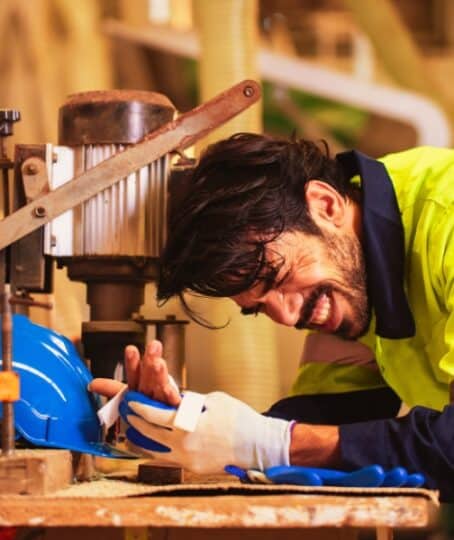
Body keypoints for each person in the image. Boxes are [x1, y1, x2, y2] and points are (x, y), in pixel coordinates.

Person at [91, 133, 454, 500]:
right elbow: (325, 424)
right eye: (258, 307)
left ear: (325, 205)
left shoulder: (446, 219)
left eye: (276, 277)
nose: (286, 315)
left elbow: (291, 441)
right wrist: (185, 422)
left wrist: (271, 443)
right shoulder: (342, 288)